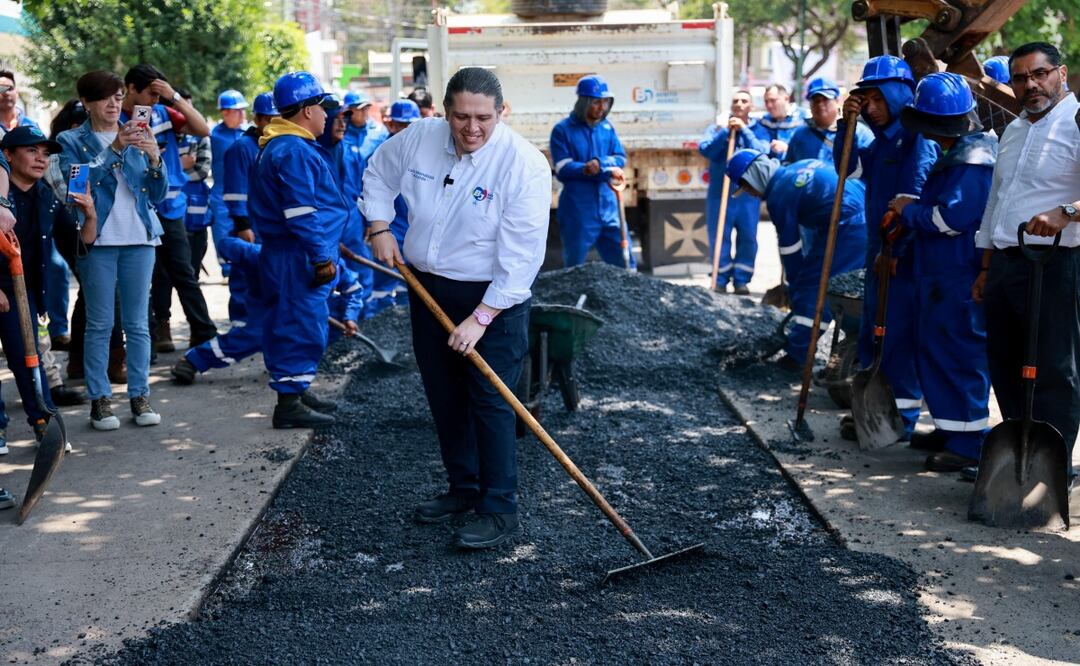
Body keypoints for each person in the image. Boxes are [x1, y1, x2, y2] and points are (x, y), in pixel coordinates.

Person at [364, 67, 552, 549]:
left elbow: (520, 260)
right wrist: (379, 225)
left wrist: (481, 318)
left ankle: (499, 508)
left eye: (483, 118)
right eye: (462, 117)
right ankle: (463, 489)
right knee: (445, 394)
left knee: (491, 402)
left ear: (501, 113)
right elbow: (377, 175)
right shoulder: (419, 138)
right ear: (444, 112)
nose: (472, 129)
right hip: (427, 287)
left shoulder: (523, 165)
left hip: (495, 298)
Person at [973, 42, 1080, 487]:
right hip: (1005, 264)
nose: (1030, 84)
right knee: (1005, 361)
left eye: (1039, 74)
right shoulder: (1015, 129)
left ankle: (1052, 467)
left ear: (1061, 72)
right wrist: (985, 267)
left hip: (1057, 262)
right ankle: (1018, 454)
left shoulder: (1076, 122)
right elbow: (997, 200)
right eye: (1020, 78)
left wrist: (1067, 212)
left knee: (1055, 367)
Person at [888, 73, 994, 473]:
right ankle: (953, 428)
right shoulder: (961, 152)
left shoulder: (972, 162)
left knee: (957, 355)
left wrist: (907, 211)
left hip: (957, 276)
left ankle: (968, 444)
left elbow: (953, 217)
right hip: (941, 275)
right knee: (937, 352)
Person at [835, 56, 940, 444]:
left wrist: (894, 252)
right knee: (874, 334)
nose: (873, 109)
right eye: (867, 101)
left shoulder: (917, 138)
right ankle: (875, 411)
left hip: (902, 256)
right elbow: (848, 169)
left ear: (898, 94)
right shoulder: (881, 143)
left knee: (897, 336)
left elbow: (909, 200)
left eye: (878, 100)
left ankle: (903, 418)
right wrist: (846, 126)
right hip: (879, 249)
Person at [58, 70, 167, 430]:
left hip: (140, 236)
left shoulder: (139, 133)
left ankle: (140, 395)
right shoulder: (70, 139)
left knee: (138, 324)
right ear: (86, 103)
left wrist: (154, 161)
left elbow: (158, 194)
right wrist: (116, 148)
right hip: (98, 239)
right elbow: (77, 186)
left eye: (119, 97)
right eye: (105, 98)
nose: (114, 104)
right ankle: (100, 400)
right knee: (100, 324)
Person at [248, 71, 348, 429]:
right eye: (323, 108)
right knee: (298, 322)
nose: (328, 116)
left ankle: (297, 389)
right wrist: (321, 256)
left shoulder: (282, 145)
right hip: (298, 255)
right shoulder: (292, 150)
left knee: (293, 319)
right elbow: (301, 213)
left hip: (290, 253)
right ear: (306, 110)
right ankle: (289, 403)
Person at [727, 150, 866, 366]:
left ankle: (798, 354)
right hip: (855, 218)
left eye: (746, 187)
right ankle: (855, 341)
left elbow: (790, 248)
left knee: (815, 289)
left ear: (754, 176)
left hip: (849, 227)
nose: (751, 194)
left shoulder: (779, 195)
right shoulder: (798, 166)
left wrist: (795, 286)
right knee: (836, 287)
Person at [0, 126, 89, 452]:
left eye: (45, 153)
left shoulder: (47, 198)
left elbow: (78, 244)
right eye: (31, 150)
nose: (41, 158)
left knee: (28, 360)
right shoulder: (1, 196)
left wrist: (89, 215)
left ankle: (44, 425)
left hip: (24, 293)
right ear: (7, 156)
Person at [120, 64, 217, 354]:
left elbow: (202, 129)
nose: (154, 99)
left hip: (171, 207)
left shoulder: (163, 112)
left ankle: (204, 333)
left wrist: (173, 96)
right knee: (144, 279)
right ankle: (146, 341)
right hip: (137, 209)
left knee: (184, 273)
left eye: (158, 93)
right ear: (131, 89)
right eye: (150, 93)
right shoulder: (115, 119)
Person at [550, 74, 630, 268]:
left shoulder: (607, 128)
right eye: (596, 102)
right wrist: (585, 169)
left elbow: (620, 158)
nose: (601, 108)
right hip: (579, 209)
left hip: (609, 207)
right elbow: (561, 167)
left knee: (624, 262)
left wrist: (600, 163)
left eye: (605, 102)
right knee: (575, 266)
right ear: (583, 102)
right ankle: (573, 297)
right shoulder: (562, 130)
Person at [699, 90, 768, 293]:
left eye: (744, 101)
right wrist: (724, 132)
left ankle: (741, 280)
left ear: (751, 107)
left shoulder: (758, 130)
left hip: (747, 196)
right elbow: (705, 150)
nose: (739, 104)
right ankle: (720, 278)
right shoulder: (717, 129)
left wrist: (744, 130)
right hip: (720, 195)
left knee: (748, 237)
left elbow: (762, 152)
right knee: (719, 237)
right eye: (735, 100)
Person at [222, 91, 277, 322]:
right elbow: (234, 190)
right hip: (249, 224)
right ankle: (240, 322)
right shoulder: (242, 148)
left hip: (269, 225)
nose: (275, 124)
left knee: (267, 275)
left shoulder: (274, 146)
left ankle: (261, 321)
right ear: (259, 120)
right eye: (270, 119)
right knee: (244, 274)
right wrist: (242, 224)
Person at [366, 99, 419, 315]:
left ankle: (403, 321)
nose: (406, 130)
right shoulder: (380, 154)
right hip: (389, 230)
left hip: (414, 230)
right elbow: (369, 192)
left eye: (410, 125)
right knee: (384, 283)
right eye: (401, 125)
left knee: (411, 287)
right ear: (392, 125)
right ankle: (379, 318)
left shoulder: (422, 154)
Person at [207, 89, 249, 278]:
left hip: (246, 192)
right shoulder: (213, 136)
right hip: (221, 193)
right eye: (237, 111)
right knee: (222, 231)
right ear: (224, 112)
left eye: (243, 110)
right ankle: (227, 269)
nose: (242, 114)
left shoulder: (247, 134)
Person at [786, 78, 874, 164]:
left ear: (837, 101)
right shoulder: (800, 134)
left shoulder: (859, 133)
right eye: (816, 100)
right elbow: (789, 166)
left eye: (825, 99)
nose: (820, 104)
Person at [175, 88, 213, 275]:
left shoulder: (201, 137)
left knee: (192, 277)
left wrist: (174, 171)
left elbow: (202, 171)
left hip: (196, 222)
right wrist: (181, 164)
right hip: (171, 221)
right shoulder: (161, 135)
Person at [753, 84, 807, 161]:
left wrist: (788, 149)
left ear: (786, 98)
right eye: (766, 101)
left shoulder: (805, 117)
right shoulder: (764, 121)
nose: (769, 105)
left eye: (773, 100)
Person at [0, 70, 39, 138]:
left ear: (17, 93)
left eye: (10, 88)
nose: (6, 93)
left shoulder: (31, 126)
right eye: (1, 89)